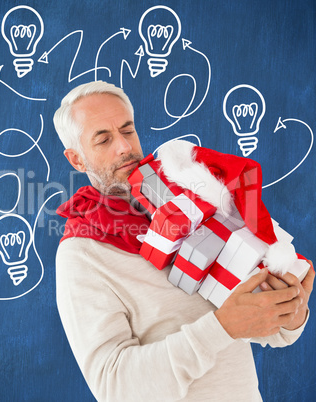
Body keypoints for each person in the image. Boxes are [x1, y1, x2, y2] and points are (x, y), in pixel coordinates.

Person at [53, 81, 314, 401]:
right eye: (103, 139)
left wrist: (291, 308)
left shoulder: (190, 195)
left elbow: (268, 328)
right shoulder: (81, 253)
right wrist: (221, 328)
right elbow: (114, 387)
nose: (124, 147)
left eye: (127, 130)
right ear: (77, 160)